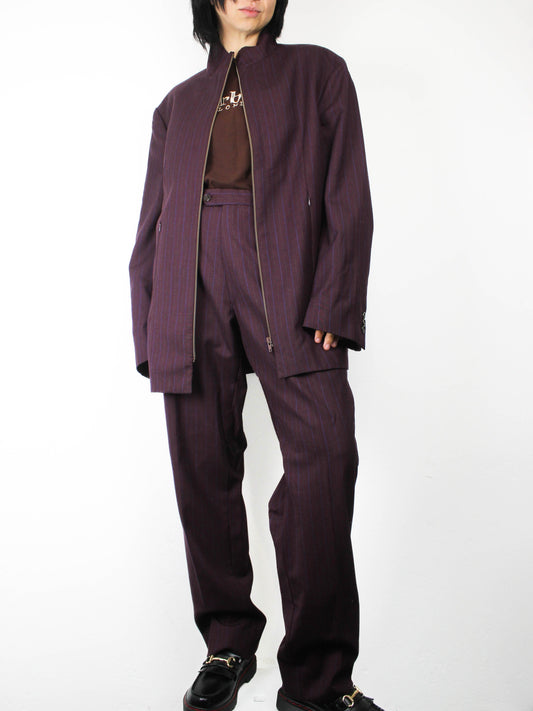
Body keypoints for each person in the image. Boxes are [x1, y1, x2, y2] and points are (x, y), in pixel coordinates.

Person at [128, 1, 382, 710]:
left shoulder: (317, 73)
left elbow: (347, 191)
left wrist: (336, 298)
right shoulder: (176, 106)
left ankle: (317, 681)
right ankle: (228, 642)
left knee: (324, 462)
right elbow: (152, 221)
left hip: (289, 278)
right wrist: (150, 324)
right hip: (188, 285)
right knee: (202, 469)